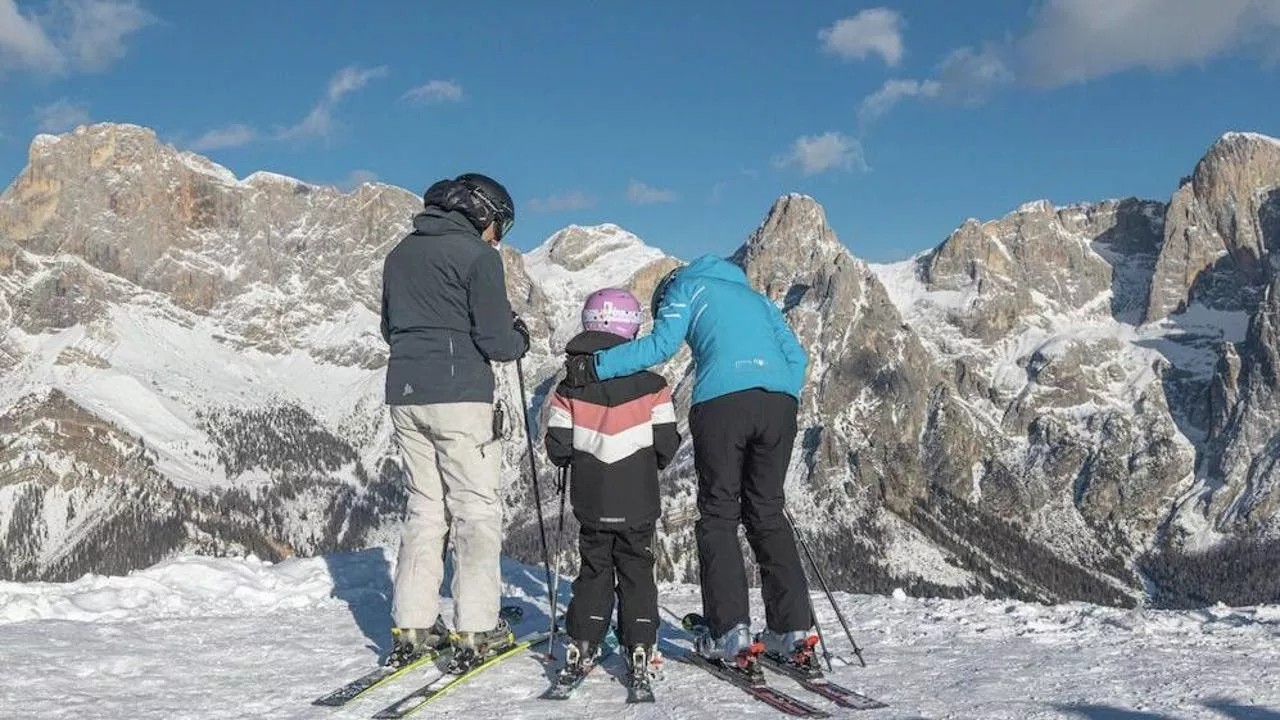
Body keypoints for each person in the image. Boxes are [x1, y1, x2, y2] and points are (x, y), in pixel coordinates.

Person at [561, 255, 815, 669]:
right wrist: (773, 389)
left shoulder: (686, 288)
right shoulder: (756, 299)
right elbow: (798, 361)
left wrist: (594, 367)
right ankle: (793, 630)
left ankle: (729, 633)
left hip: (722, 405)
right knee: (767, 512)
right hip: (780, 403)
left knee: (718, 514)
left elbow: (662, 346)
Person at [379, 172, 531, 667]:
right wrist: (520, 337)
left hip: (404, 392)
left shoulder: (399, 254)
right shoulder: (477, 257)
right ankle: (476, 629)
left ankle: (413, 625)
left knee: (425, 508)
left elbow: (389, 326)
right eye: (499, 227)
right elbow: (496, 342)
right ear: (481, 211)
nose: (497, 238)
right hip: (460, 395)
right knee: (475, 509)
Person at [544, 288, 680, 682]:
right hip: (638, 497)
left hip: (591, 497)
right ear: (632, 328)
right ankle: (640, 642)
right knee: (637, 567)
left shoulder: (569, 387)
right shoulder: (654, 385)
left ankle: (584, 640)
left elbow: (558, 447)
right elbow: (667, 443)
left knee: (595, 568)